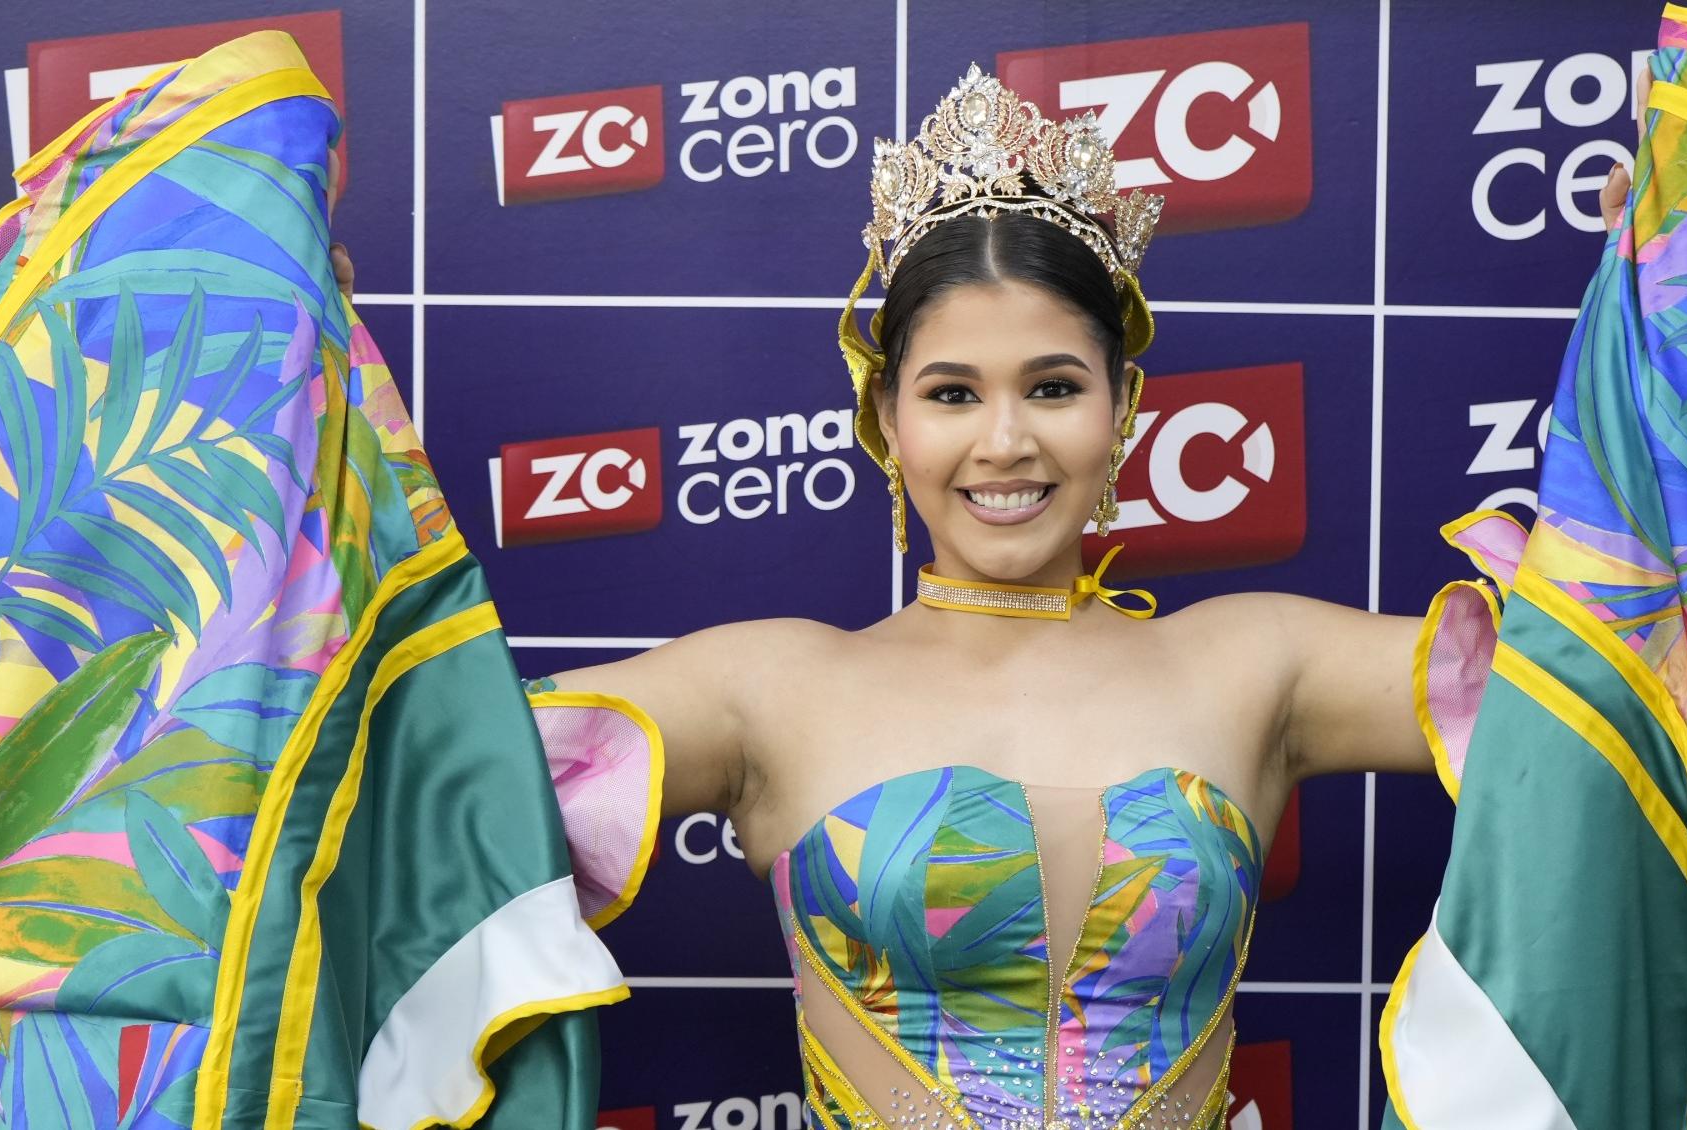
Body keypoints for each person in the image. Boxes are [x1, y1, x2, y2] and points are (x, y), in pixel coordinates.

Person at [489, 68, 1499, 1128]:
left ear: (1122, 406)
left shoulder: (1260, 664)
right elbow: (423, 775)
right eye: (953, 392)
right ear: (885, 413)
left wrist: (1676, 295)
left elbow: (1597, 690)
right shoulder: (765, 687)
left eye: (1053, 387)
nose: (1005, 441)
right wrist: (306, 398)